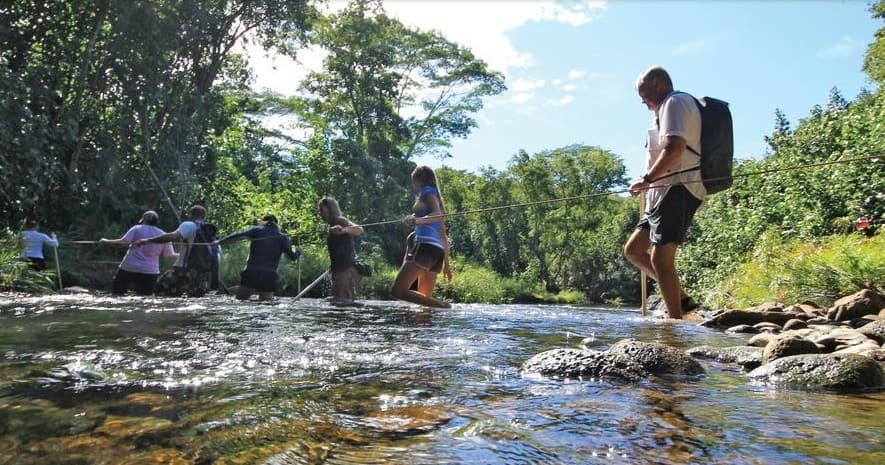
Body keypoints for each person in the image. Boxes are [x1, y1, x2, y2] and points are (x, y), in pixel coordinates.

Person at [624, 66, 704, 319]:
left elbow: (675, 148)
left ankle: (675, 324)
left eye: (644, 94)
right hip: (660, 193)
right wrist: (646, 182)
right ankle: (681, 299)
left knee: (661, 259)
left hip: (679, 188)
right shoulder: (664, 110)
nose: (643, 101)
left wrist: (648, 179)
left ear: (658, 83)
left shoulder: (676, 103)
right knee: (634, 250)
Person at [391, 165, 453, 308]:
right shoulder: (436, 196)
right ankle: (428, 326)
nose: (413, 185)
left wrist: (417, 220)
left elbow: (436, 214)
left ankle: (443, 306)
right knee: (425, 303)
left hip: (426, 247)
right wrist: (447, 266)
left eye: (414, 181)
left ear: (418, 179)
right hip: (437, 252)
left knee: (397, 291)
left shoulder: (427, 191)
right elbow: (443, 236)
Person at [134, 205, 218, 297]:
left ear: (190, 215)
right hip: (202, 275)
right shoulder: (210, 232)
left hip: (182, 269)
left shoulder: (188, 225)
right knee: (193, 302)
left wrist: (148, 240)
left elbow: (173, 236)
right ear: (204, 216)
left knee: (159, 292)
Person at [216, 215, 301, 301]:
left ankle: (226, 292)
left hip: (252, 271)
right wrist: (298, 252)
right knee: (266, 303)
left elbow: (238, 236)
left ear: (262, 222)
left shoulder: (256, 230)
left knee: (240, 301)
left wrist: (220, 242)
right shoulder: (283, 237)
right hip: (269, 274)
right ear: (277, 224)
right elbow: (292, 257)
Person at [100, 210, 179, 295]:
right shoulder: (164, 235)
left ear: (143, 220)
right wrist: (186, 255)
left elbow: (123, 243)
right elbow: (170, 256)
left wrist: (106, 241)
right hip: (150, 271)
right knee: (145, 299)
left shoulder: (137, 228)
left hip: (129, 268)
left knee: (117, 294)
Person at [318, 197, 365, 305]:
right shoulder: (331, 224)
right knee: (336, 303)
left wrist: (343, 230)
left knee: (343, 305)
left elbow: (359, 230)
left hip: (347, 270)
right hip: (339, 270)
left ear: (330, 209)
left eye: (322, 210)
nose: (320, 213)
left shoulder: (339, 220)